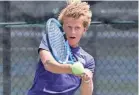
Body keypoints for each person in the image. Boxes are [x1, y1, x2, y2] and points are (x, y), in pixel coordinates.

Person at [28, 1, 95, 95]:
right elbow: (49, 64)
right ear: (63, 26)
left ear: (84, 30)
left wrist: (87, 80)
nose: (73, 32)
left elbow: (86, 93)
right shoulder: (50, 41)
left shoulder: (88, 60)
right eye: (69, 27)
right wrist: (71, 69)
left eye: (77, 28)